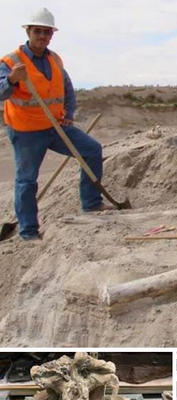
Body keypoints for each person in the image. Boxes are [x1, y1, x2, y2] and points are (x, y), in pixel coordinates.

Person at [0, 8, 107, 241]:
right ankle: (28, 231)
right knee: (27, 180)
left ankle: (91, 203)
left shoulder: (55, 59)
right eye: (38, 31)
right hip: (26, 132)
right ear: (28, 31)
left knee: (92, 150)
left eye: (46, 32)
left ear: (51, 35)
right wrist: (10, 80)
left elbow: (66, 87)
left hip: (55, 127)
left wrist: (68, 112)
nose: (42, 36)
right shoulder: (12, 61)